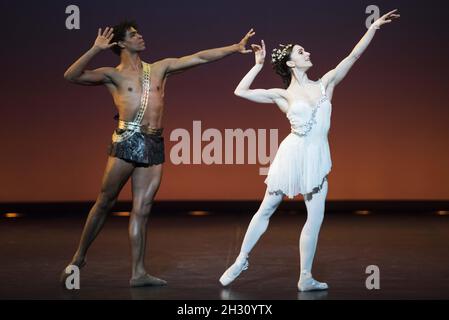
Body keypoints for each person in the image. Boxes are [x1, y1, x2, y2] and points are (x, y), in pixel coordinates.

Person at [61, 20, 255, 287]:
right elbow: (71, 76)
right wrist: (95, 49)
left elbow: (198, 58)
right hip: (128, 139)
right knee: (105, 202)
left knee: (143, 209)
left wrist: (234, 48)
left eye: (140, 32)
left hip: (153, 143)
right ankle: (79, 257)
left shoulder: (159, 69)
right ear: (121, 43)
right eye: (133, 35)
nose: (140, 36)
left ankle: (138, 273)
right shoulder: (113, 75)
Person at [219, 10, 400, 291]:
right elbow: (240, 92)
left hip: (317, 156)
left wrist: (373, 27)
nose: (307, 52)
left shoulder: (325, 83)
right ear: (291, 62)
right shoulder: (283, 96)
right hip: (292, 154)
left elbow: (352, 56)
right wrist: (257, 64)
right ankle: (241, 259)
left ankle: (305, 276)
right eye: (301, 51)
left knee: (315, 218)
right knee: (266, 208)